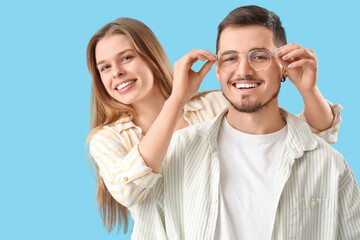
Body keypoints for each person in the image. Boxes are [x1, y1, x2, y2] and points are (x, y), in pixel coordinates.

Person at [86, 17, 342, 237]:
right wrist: (176, 101)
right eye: (105, 67)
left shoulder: (215, 103)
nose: (116, 72)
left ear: (151, 57)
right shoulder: (107, 139)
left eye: (126, 58)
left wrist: (308, 90)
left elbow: (312, 136)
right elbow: (127, 191)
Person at [162, 5, 360, 240]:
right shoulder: (177, 153)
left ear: (285, 67)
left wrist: (310, 90)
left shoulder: (328, 164)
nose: (243, 70)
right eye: (230, 58)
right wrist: (175, 100)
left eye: (259, 57)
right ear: (217, 70)